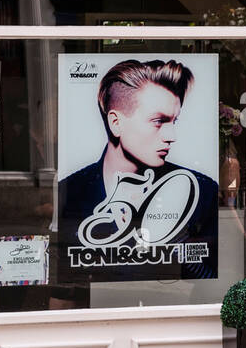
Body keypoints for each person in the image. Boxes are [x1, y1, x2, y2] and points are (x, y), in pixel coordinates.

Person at [56, 59, 219, 282]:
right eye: (158, 121)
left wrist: (180, 250)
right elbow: (64, 291)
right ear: (116, 123)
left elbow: (215, 286)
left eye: (174, 121)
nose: (172, 136)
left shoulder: (201, 191)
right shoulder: (69, 192)